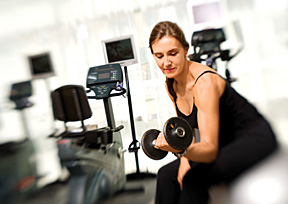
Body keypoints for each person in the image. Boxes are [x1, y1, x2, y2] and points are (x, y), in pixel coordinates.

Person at [149, 21, 278, 204]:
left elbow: (209, 150)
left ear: (186, 50)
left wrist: (180, 150)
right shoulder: (171, 84)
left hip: (252, 137)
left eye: (173, 53)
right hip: (224, 140)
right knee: (165, 175)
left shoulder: (204, 82)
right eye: (159, 56)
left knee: (193, 179)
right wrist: (184, 161)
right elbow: (186, 132)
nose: (166, 62)